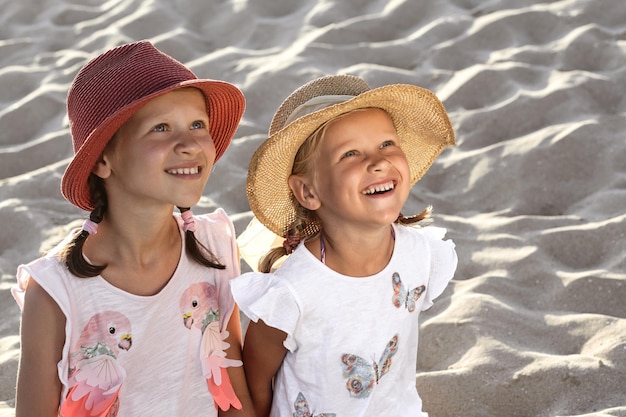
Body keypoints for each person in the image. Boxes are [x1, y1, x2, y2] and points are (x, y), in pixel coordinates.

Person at [12, 40, 254, 417]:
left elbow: (230, 388)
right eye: (161, 128)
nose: (189, 144)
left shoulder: (216, 246)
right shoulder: (56, 293)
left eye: (197, 124)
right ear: (103, 160)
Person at [231, 74, 458, 417]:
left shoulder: (421, 255)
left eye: (387, 144)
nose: (378, 161)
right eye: (350, 153)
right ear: (308, 191)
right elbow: (256, 381)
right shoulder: (292, 291)